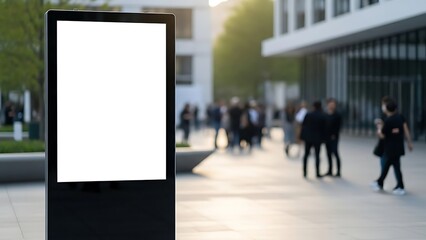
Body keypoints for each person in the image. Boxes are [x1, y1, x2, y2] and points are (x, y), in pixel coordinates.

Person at [371, 100, 413, 195]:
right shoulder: (400, 118)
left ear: (386, 109)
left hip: (390, 148)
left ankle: (396, 186)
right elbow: (405, 130)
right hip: (398, 147)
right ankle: (381, 182)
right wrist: (409, 142)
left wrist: (379, 128)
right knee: (393, 166)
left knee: (389, 166)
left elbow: (382, 135)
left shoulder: (388, 121)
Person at [300, 101, 326, 178]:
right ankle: (317, 172)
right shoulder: (322, 116)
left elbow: (303, 126)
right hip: (317, 138)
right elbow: (324, 128)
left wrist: (302, 137)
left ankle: (305, 172)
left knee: (306, 155)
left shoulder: (308, 115)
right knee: (317, 155)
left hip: (308, 138)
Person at [324, 98, 343, 177]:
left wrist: (334, 134)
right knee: (328, 154)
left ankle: (338, 171)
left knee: (335, 153)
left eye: (333, 105)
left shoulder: (337, 115)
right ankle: (330, 170)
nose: (332, 106)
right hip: (326, 137)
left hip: (334, 137)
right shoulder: (325, 114)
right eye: (330, 104)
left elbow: (339, 126)